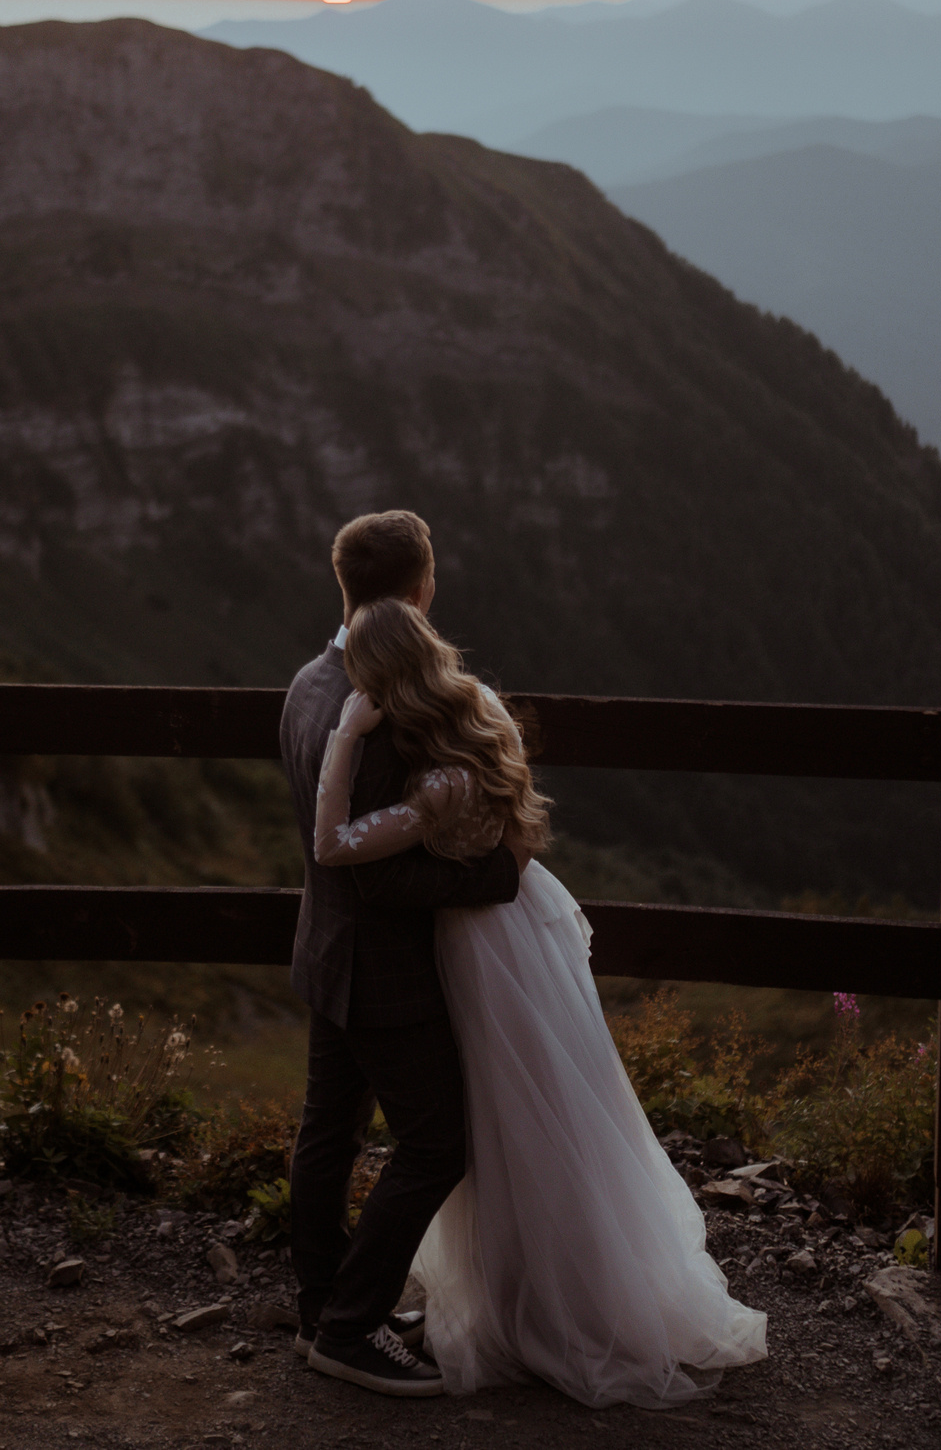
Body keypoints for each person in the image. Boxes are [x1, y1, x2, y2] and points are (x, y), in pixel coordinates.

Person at [304, 596, 771, 1410]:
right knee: (548, 1105)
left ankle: (495, 1303)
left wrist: (345, 736)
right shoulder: (482, 714)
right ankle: (561, 1285)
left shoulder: (436, 778)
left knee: (496, 1119)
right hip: (525, 929)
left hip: (475, 945)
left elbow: (334, 846)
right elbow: (518, 836)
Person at [279, 510, 532, 1398]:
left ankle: (324, 1306)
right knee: (434, 1144)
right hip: (384, 967)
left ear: (344, 590)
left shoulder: (309, 682)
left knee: (328, 1132)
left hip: (323, 952)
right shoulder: (383, 711)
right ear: (421, 593)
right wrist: (492, 875)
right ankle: (350, 1329)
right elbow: (380, 881)